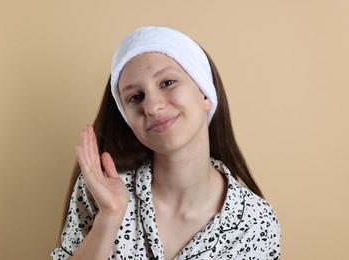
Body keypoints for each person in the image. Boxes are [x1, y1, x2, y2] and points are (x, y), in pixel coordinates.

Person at [51, 26, 281, 260]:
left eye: (167, 82)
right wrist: (109, 217)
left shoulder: (255, 223)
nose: (151, 107)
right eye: (135, 97)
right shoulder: (101, 191)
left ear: (204, 93)